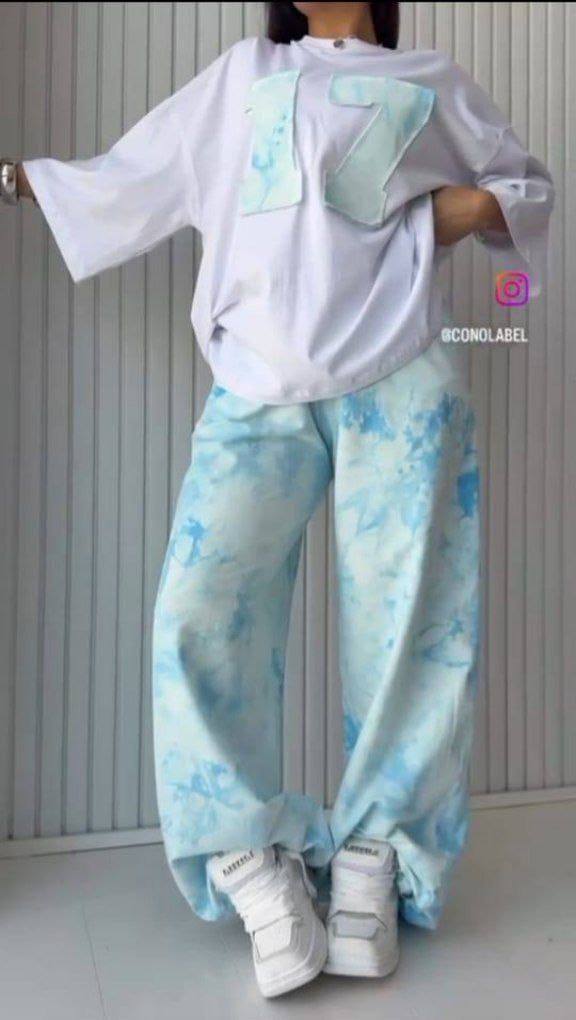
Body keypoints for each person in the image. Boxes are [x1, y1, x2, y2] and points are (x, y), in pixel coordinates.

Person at [1, 0, 554, 1000]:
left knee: (413, 623)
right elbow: (141, 173)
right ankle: (248, 855)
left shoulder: (432, 80)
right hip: (258, 381)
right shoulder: (244, 75)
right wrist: (24, 180)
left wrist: (460, 211)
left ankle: (377, 858)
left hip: (405, 372)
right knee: (199, 612)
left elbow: (527, 185)